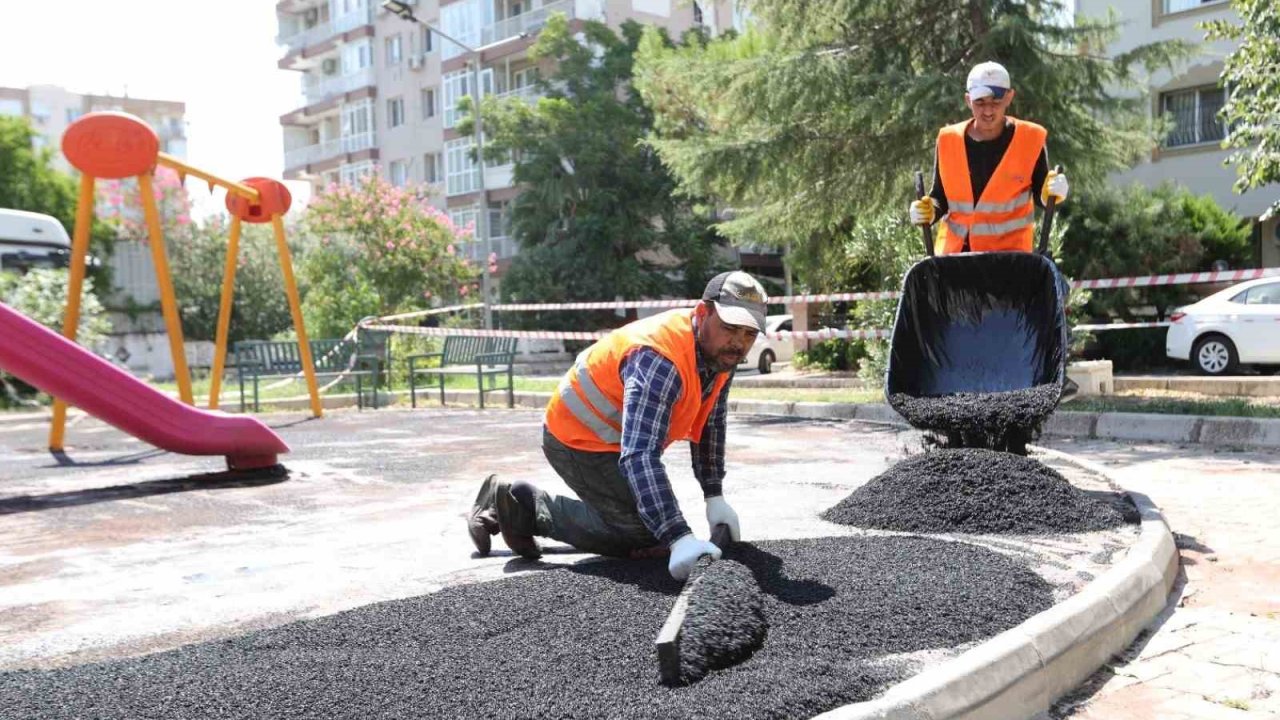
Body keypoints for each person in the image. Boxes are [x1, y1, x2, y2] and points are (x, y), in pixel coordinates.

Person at [466, 271, 768, 580]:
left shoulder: (718, 356)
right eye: (730, 328)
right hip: (578, 437)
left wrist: (713, 493)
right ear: (703, 313)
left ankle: (519, 506)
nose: (738, 343)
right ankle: (523, 506)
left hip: (615, 440)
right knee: (644, 535)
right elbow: (639, 455)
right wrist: (677, 535)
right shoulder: (660, 359)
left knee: (654, 524)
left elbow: (710, 425)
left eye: (749, 334)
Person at [909, 61, 1070, 254]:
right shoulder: (948, 140)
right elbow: (940, 197)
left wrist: (1052, 193)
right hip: (956, 260)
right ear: (968, 100)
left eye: (996, 102)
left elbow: (1041, 195)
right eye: (980, 103)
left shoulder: (1029, 139)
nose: (988, 111)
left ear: (1009, 97)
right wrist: (928, 211)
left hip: (1010, 261)